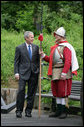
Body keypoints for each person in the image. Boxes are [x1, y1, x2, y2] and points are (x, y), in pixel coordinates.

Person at [38, 27, 79, 119]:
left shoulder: (67, 47)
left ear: (61, 36)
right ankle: (58, 110)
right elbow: (52, 60)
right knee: (56, 91)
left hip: (63, 71)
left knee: (62, 92)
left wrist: (64, 73)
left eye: (56, 35)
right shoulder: (55, 47)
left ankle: (63, 111)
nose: (55, 36)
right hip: (55, 71)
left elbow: (68, 61)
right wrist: (43, 56)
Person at [14, 31, 40, 118]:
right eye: (31, 37)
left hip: (34, 73)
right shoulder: (19, 48)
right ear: (26, 38)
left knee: (31, 93)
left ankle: (28, 111)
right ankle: (19, 111)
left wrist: (38, 70)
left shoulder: (36, 47)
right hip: (22, 73)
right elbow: (16, 62)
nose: (33, 39)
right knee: (21, 91)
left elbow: (38, 60)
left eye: (33, 37)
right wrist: (16, 72)